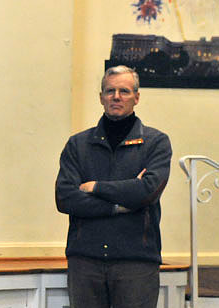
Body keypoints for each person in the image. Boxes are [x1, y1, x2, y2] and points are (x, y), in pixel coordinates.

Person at [55, 65, 172, 308]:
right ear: (101, 97)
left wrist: (95, 187)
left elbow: (147, 191)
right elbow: (65, 198)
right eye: (110, 91)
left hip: (136, 262)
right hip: (85, 261)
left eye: (124, 91)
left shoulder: (156, 143)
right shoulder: (78, 145)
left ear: (136, 97)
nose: (116, 97)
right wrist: (119, 206)